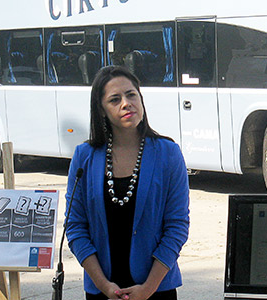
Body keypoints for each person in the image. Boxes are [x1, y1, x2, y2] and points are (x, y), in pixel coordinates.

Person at [65, 65, 190, 300]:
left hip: (156, 289)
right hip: (102, 290)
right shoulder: (84, 157)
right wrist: (103, 285)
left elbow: (177, 227)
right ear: (101, 110)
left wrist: (148, 288)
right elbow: (75, 227)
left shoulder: (168, 153)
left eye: (131, 94)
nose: (126, 103)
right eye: (114, 99)